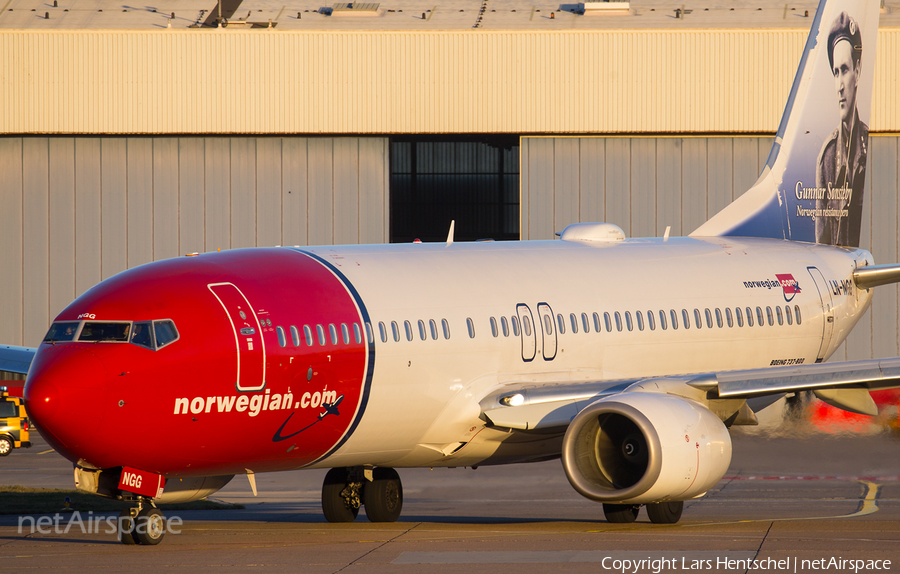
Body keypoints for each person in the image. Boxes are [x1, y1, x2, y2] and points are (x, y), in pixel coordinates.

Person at [815, 11, 868, 247]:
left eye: (844, 70)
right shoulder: (826, 159)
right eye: (835, 72)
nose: (839, 85)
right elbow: (821, 244)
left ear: (857, 72)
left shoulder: (867, 147)